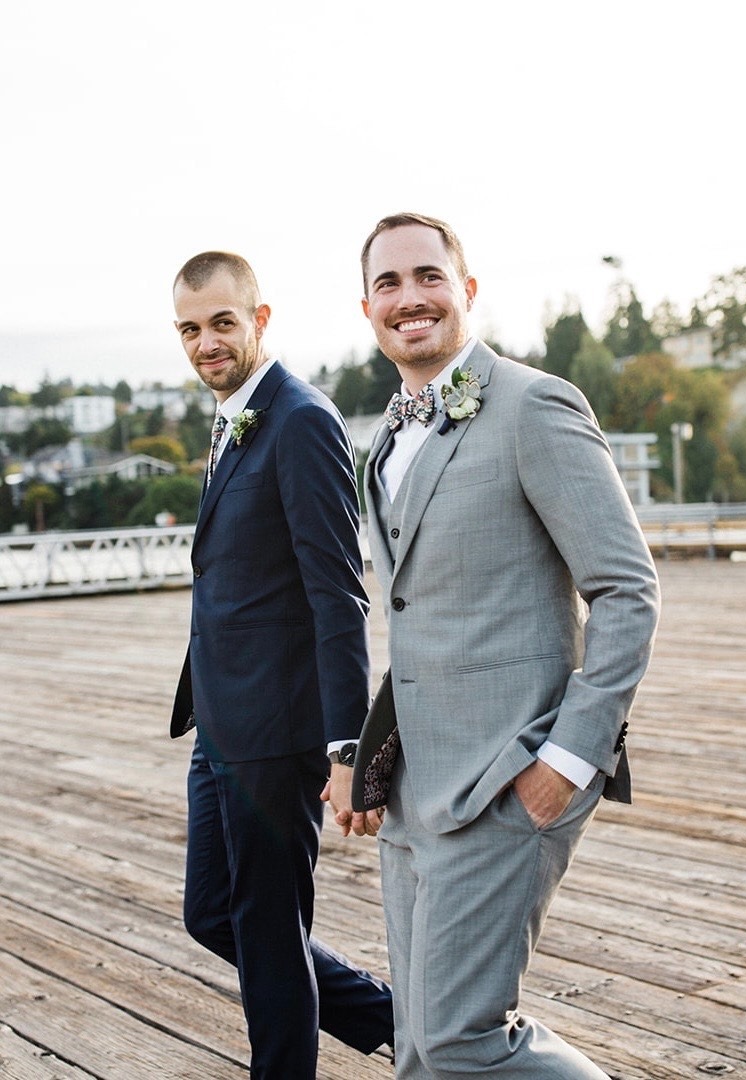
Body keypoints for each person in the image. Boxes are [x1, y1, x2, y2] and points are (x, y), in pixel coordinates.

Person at [343, 213, 661, 1078]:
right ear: (367, 306)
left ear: (466, 289)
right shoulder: (383, 445)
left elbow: (627, 592)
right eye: (388, 284)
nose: (410, 298)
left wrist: (568, 759)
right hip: (413, 794)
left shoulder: (533, 404)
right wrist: (368, 763)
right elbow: (413, 620)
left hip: (507, 779)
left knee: (459, 1040)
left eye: (428, 276)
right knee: (416, 1045)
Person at [169, 251, 393, 1079]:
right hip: (221, 720)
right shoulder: (235, 414)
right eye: (190, 329)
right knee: (214, 915)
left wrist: (347, 750)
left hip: (277, 726)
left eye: (223, 323)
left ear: (261, 320)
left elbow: (339, 594)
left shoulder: (298, 419)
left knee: (264, 934)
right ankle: (398, 1019)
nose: (206, 343)